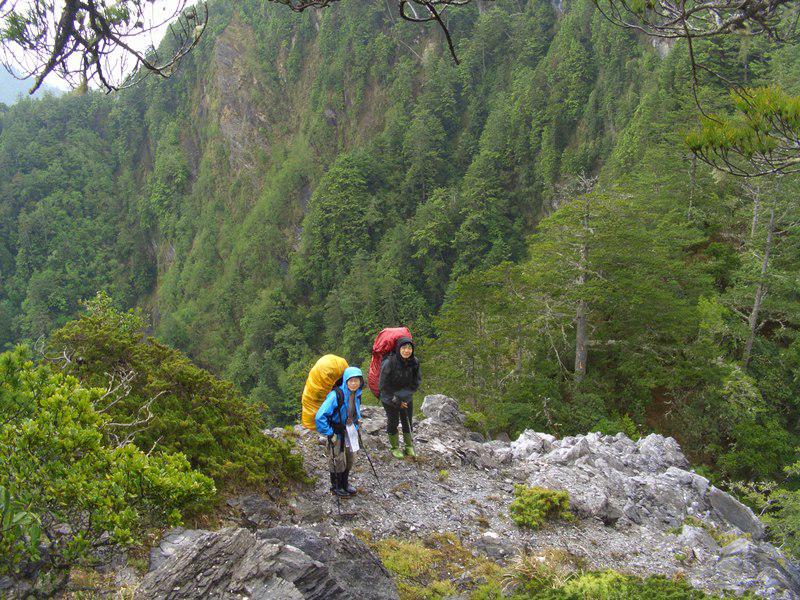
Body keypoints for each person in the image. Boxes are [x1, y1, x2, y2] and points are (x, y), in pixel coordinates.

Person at [315, 366, 364, 497]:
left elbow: (354, 412)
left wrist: (356, 424)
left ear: (361, 381)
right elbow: (320, 416)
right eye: (351, 380)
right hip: (336, 432)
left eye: (357, 380)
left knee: (349, 457)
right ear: (345, 381)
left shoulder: (357, 394)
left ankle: (345, 484)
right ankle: (336, 486)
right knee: (337, 458)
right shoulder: (336, 395)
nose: (354, 383)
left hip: (350, 431)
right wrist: (329, 432)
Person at [379, 337, 421, 458]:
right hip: (389, 398)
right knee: (393, 421)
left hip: (406, 397)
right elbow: (383, 386)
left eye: (409, 348)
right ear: (398, 349)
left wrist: (404, 397)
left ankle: (409, 446)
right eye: (404, 348)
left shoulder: (414, 362)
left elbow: (416, 382)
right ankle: (395, 447)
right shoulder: (389, 363)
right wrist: (397, 401)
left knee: (407, 420)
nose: (407, 351)